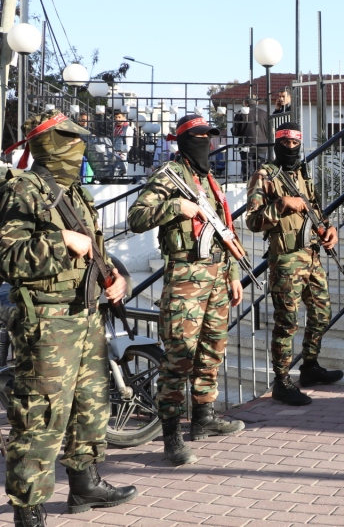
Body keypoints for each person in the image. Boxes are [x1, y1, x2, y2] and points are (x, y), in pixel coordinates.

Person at [0, 110, 137, 526]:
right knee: (40, 416)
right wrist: (60, 240)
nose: (79, 147)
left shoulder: (76, 193)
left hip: (86, 314)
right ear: (50, 143)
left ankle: (85, 484)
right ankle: (28, 509)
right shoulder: (22, 190)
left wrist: (120, 278)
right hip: (47, 321)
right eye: (70, 140)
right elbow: (8, 258)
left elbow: (95, 251)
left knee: (90, 405)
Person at [128, 114, 245, 467]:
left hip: (217, 276)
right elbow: (136, 217)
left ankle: (204, 418)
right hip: (185, 278)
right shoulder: (170, 176)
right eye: (199, 137)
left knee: (212, 350)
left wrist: (233, 274)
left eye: (209, 136)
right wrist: (177, 206)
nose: (206, 142)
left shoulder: (208, 179)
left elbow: (223, 231)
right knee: (179, 358)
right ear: (183, 141)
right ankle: (170, 434)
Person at [245, 122, 343, 406]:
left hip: (311, 256)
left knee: (322, 314)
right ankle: (281, 381)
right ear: (277, 144)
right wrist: (281, 205)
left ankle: (310, 366)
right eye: (285, 143)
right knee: (287, 322)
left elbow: (314, 209)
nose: (290, 148)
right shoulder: (264, 175)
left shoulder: (303, 172)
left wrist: (329, 228)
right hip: (286, 259)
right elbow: (252, 221)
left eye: (295, 143)